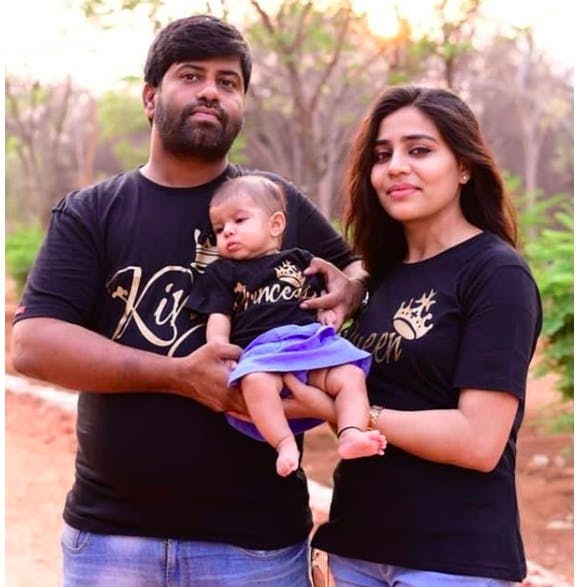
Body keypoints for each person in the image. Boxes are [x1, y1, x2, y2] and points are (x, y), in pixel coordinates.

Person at [10, 15, 369, 587]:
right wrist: (180, 376)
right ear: (150, 97)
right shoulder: (93, 212)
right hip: (112, 539)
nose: (211, 91)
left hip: (255, 544)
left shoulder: (276, 204)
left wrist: (352, 285)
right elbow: (33, 345)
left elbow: (358, 266)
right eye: (191, 75)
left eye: (228, 82)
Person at [286, 85, 543, 586]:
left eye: (419, 150)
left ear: (464, 166)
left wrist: (350, 414)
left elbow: (479, 440)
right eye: (382, 155)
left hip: (451, 560)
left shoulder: (496, 275)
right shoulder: (378, 277)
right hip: (356, 549)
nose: (396, 167)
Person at [187, 174, 387, 477]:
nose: (227, 231)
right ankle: (283, 443)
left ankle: (350, 433)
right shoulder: (223, 272)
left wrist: (327, 314)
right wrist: (219, 347)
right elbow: (219, 316)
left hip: (310, 346)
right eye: (219, 228)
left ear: (276, 224)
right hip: (263, 353)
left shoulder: (302, 260)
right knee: (255, 383)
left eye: (239, 220)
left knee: (350, 375)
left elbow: (323, 296)